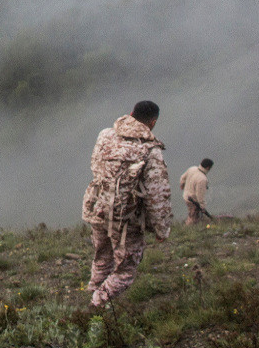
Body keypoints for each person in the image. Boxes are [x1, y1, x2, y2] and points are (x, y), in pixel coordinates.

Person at [82, 101, 172, 309]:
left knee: (102, 257)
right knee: (126, 269)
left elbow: (96, 166)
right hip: (125, 217)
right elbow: (157, 194)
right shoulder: (150, 149)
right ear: (153, 122)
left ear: (131, 113)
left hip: (98, 207)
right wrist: (161, 228)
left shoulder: (105, 135)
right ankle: (97, 304)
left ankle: (93, 291)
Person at [179, 158, 214, 226]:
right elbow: (200, 195)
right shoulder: (202, 179)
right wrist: (202, 207)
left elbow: (182, 178)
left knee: (193, 215)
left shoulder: (192, 169)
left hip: (186, 196)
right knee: (193, 217)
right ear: (208, 167)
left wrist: (182, 184)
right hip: (193, 200)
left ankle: (191, 228)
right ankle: (188, 230)